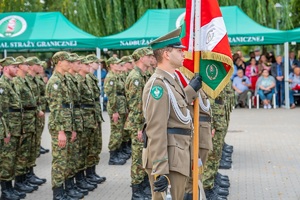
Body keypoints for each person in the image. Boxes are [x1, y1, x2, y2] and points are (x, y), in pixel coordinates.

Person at [142, 27, 202, 200]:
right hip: (168, 160)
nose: (184, 54)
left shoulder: (170, 80)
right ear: (167, 54)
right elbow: (156, 128)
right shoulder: (158, 85)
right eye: (179, 50)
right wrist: (160, 169)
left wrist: (191, 90)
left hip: (177, 154)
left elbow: (177, 105)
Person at [46, 51, 77, 199]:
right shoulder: (55, 82)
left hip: (67, 124)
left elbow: (68, 106)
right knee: (59, 161)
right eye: (67, 61)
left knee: (67, 160)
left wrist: (72, 128)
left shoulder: (64, 79)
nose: (70, 64)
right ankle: (57, 193)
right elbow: (56, 108)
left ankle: (65, 189)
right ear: (59, 62)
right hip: (60, 126)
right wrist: (61, 131)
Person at [124, 47, 153, 200]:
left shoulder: (143, 75)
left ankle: (143, 186)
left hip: (144, 123)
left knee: (144, 157)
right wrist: (138, 129)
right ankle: (136, 192)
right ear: (141, 58)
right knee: (137, 159)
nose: (150, 58)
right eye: (148, 56)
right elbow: (135, 107)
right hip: (138, 124)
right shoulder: (135, 77)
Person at [0, 57, 26, 200]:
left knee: (12, 159)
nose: (17, 69)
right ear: (5, 68)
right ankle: (5, 191)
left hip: (15, 126)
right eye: (13, 67)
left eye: (17, 67)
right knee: (6, 159)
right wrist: (6, 130)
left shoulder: (12, 84)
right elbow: (2, 111)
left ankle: (10, 188)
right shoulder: (2, 84)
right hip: (8, 126)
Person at [85, 54, 106, 184]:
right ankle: (87, 175)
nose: (98, 64)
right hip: (87, 118)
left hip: (93, 116)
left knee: (94, 147)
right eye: (95, 62)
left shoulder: (91, 77)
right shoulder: (85, 78)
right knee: (87, 147)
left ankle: (91, 173)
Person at [104, 57, 128, 165]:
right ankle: (113, 156)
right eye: (116, 63)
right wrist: (114, 111)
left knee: (120, 131)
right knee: (116, 132)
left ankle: (118, 152)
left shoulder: (116, 76)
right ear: (111, 65)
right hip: (116, 107)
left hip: (120, 106)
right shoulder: (111, 77)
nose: (119, 65)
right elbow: (111, 95)